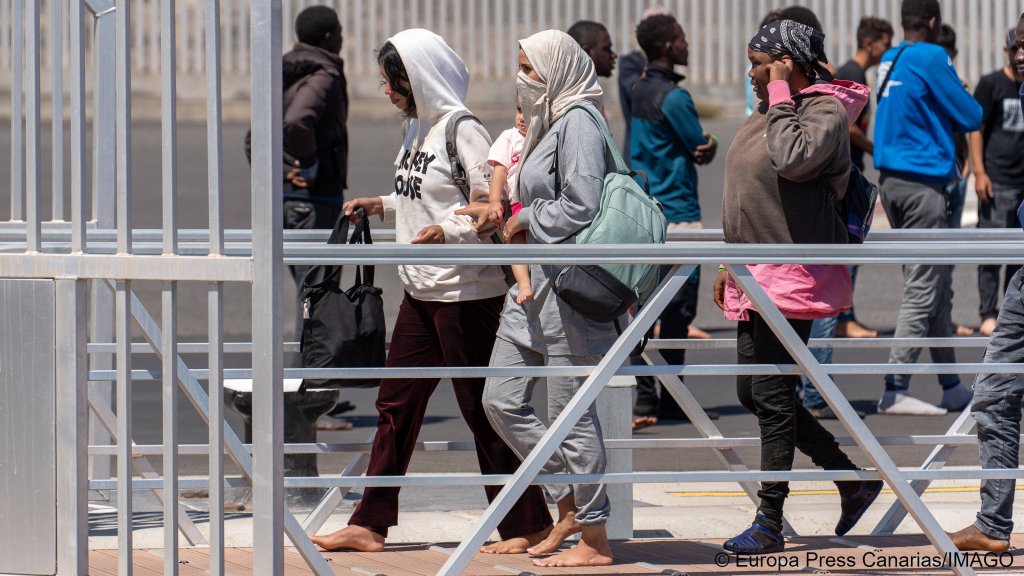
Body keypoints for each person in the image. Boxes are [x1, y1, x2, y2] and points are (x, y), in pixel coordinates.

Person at [310, 29, 553, 554]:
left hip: (466, 295)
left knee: (484, 410)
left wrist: (448, 231)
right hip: (421, 291)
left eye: (391, 80)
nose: (386, 90)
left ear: (416, 77)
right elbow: (421, 195)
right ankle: (370, 524)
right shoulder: (416, 127)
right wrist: (381, 204)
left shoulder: (463, 130)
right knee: (394, 406)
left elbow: (490, 207)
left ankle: (528, 524)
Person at [717, 19, 881, 554]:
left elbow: (792, 160)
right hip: (754, 270)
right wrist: (727, 263)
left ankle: (768, 520)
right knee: (754, 392)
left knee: (771, 394)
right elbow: (745, 187)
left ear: (787, 63)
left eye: (760, 64)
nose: (751, 74)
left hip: (792, 274)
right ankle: (849, 479)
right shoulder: (774, 108)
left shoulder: (824, 111)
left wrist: (781, 92)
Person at [478, 30, 616, 568]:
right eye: (520, 67)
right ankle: (568, 505)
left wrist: (524, 220)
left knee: (571, 416)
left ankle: (595, 538)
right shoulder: (549, 120)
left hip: (568, 294)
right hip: (531, 290)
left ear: (558, 70)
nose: (523, 78)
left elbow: (581, 203)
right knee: (500, 400)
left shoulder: (578, 120)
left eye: (530, 68)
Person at [243, 5, 353, 430]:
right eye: (338, 31)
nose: (342, 38)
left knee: (307, 296)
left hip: (284, 201)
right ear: (328, 37)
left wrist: (274, 173)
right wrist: (308, 165)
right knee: (316, 298)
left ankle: (305, 392)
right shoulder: (323, 75)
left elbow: (254, 136)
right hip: (314, 202)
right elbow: (297, 122)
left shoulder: (283, 71)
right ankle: (305, 403)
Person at [873, 0, 982, 416]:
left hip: (892, 183)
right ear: (934, 21)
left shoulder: (891, 57)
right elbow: (971, 115)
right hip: (923, 185)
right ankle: (895, 386)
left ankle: (950, 385)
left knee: (933, 284)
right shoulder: (933, 56)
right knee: (924, 287)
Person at [950, 17, 1024, 553]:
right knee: (995, 392)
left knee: (996, 391)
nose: (1020, 54)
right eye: (1018, 44)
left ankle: (994, 523)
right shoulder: (1002, 88)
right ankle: (994, 524)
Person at [629, 13, 719, 430]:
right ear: (668, 45)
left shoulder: (637, 89)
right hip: (679, 214)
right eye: (682, 38)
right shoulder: (676, 98)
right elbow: (698, 144)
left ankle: (645, 396)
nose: (687, 44)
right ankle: (672, 398)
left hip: (644, 212)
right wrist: (711, 143)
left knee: (646, 308)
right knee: (680, 310)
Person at [831, 16, 892, 341]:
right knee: (849, 246)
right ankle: (843, 317)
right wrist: (877, 149)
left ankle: (844, 314)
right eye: (885, 43)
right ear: (869, 42)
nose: (887, 49)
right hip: (847, 172)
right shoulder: (852, 73)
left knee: (850, 246)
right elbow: (848, 125)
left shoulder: (854, 72)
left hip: (850, 169)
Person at [971, 27, 1024, 338]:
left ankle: (1009, 312)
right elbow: (976, 129)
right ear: (1007, 51)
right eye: (1015, 49)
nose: (1019, 56)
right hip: (998, 179)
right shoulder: (991, 84)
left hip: (1022, 183)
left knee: (1018, 254)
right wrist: (980, 172)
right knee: (991, 251)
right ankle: (988, 313)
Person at [485, 105, 532, 304]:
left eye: (529, 112)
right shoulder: (509, 137)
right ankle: (524, 283)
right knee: (515, 239)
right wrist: (494, 201)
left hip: (542, 201)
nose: (522, 118)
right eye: (519, 110)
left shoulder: (543, 135)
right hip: (518, 201)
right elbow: (500, 170)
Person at [618, 5, 671, 163]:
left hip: (664, 154)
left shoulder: (666, 65)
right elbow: (639, 91)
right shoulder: (630, 63)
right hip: (639, 155)